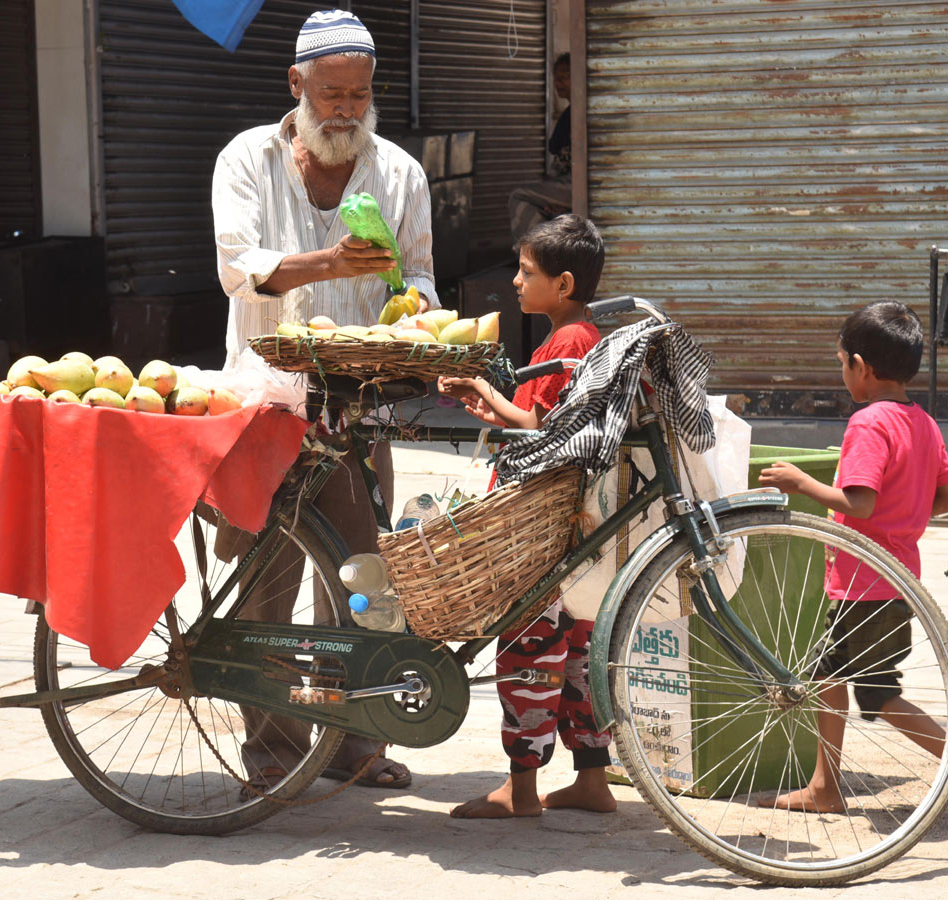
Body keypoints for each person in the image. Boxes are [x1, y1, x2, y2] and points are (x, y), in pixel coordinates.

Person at [211, 8, 438, 791]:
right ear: (297, 84)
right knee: (268, 578)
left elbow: (423, 282)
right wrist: (329, 265)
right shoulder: (247, 159)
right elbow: (240, 268)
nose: (345, 109)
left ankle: (357, 742)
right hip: (263, 404)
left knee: (364, 579)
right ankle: (274, 754)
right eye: (331, 93)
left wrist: (423, 327)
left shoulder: (400, 174)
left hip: (360, 406)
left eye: (359, 94)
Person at [757, 300, 948, 834]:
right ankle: (825, 785)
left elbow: (857, 504)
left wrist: (801, 484)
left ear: (861, 365)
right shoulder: (923, 422)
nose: (843, 375)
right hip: (897, 578)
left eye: (842, 364)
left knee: (880, 695)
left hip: (863, 584)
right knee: (827, 672)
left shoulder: (869, 422)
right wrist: (903, 516)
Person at [437, 214, 617, 818]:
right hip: (574, 527)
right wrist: (497, 407)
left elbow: (545, 426)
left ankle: (520, 790)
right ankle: (593, 782)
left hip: (539, 526)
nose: (514, 281)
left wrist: (486, 395)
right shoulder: (582, 336)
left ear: (563, 285)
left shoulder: (566, 342)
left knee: (529, 649)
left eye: (527, 272)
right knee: (577, 654)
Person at [507, 53, 573, 241]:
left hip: (573, 185)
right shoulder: (569, 113)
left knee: (519, 196)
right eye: (556, 79)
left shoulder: (578, 112)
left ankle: (533, 257)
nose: (558, 84)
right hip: (566, 184)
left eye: (563, 78)